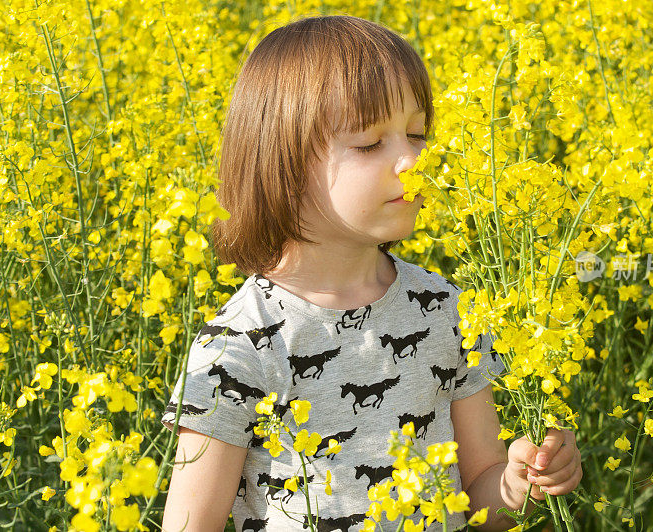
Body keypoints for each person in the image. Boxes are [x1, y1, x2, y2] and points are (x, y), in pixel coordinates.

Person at [160, 14, 582, 532]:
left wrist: (522, 481)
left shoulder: (448, 309)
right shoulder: (239, 343)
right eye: (368, 144)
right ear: (282, 164)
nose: (412, 160)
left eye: (417, 134)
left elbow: (479, 500)